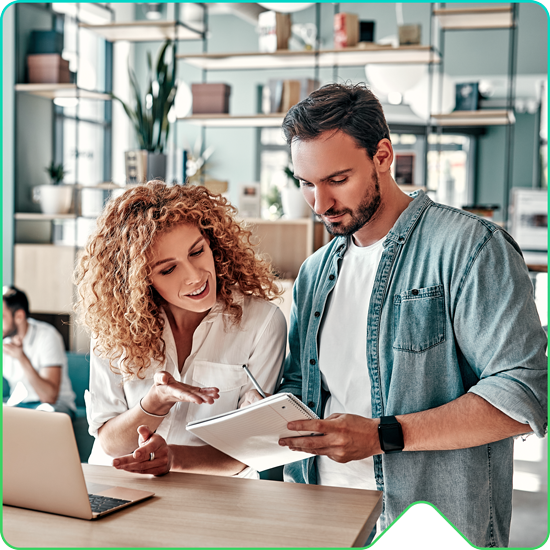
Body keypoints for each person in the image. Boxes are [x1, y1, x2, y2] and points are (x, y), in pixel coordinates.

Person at [263, 83, 546, 547]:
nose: (320, 204)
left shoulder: (469, 249)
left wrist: (383, 436)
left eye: (337, 180)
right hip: (322, 516)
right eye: (306, 183)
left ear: (383, 155)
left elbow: (522, 396)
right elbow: (302, 390)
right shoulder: (315, 273)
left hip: (428, 528)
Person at [74, 182, 286, 478]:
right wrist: (156, 402)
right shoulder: (116, 325)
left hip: (212, 499)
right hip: (116, 488)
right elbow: (109, 442)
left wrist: (172, 457)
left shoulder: (261, 323)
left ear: (213, 242)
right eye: (168, 269)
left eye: (197, 252)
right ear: (141, 280)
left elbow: (250, 449)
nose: (195, 277)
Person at [3, 286, 76, 417]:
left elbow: (49, 396)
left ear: (19, 316)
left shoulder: (47, 336)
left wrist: (21, 357)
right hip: (20, 404)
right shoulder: (5, 340)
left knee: (43, 416)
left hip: (54, 406)